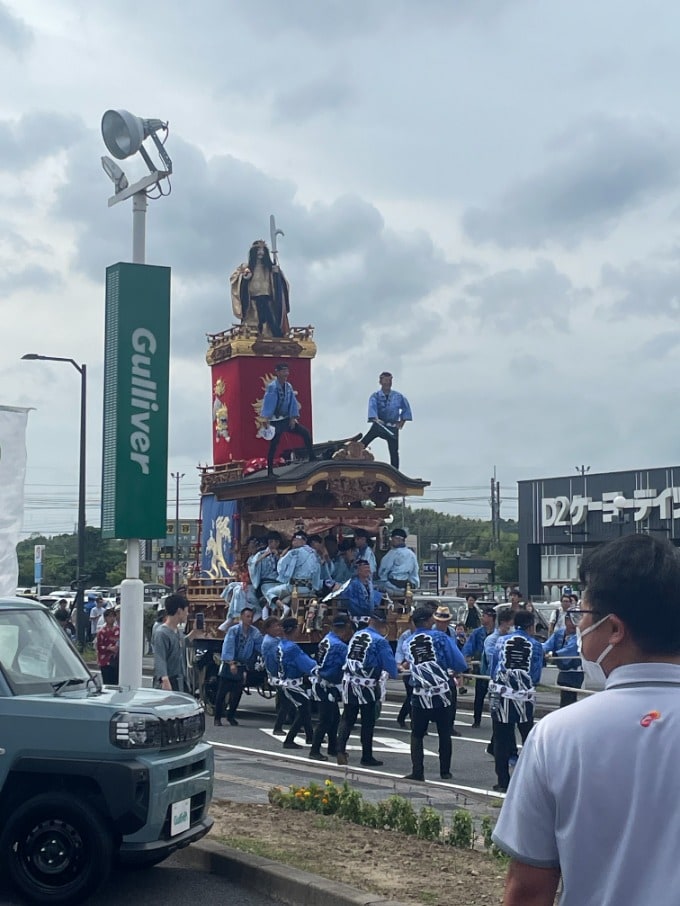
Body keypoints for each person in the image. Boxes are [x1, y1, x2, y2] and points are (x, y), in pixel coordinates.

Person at [493, 534, 680, 906]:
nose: (578, 628)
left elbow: (529, 889)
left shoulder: (557, 735)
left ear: (614, 629)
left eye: (583, 615)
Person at [402, 606, 468, 781]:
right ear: (427, 620)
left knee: (417, 734)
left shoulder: (408, 642)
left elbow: (406, 663)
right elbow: (460, 663)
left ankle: (418, 771)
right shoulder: (440, 637)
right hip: (442, 693)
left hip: (420, 694)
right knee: (444, 732)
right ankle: (444, 771)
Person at [488, 610, 543, 793]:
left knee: (501, 740)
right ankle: (531, 780)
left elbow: (493, 668)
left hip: (501, 695)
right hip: (523, 698)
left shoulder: (501, 641)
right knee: (528, 737)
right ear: (530, 626)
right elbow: (535, 675)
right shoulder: (535, 645)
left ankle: (502, 781)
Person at [336, 608, 398, 767]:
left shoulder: (357, 635)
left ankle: (340, 749)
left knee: (347, 718)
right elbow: (391, 668)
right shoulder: (379, 641)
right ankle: (367, 756)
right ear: (383, 624)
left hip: (349, 681)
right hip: (367, 686)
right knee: (367, 721)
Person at [309, 614, 354, 761]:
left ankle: (332, 747)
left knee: (334, 718)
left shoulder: (327, 639)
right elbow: (345, 665)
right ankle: (314, 750)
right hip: (327, 685)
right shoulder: (340, 647)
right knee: (325, 719)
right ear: (346, 627)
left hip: (322, 682)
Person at [260, 363, 315, 476]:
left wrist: (293, 417)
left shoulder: (288, 386)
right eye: (284, 371)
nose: (286, 374)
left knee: (305, 432)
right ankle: (270, 471)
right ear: (278, 372)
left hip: (286, 419)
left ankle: (312, 456)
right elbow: (268, 403)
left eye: (287, 371)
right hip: (275, 421)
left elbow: (292, 403)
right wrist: (266, 418)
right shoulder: (272, 387)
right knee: (274, 444)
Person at [230, 239, 290, 337]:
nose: (261, 253)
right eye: (258, 250)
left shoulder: (270, 268)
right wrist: (245, 277)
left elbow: (281, 285)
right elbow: (234, 278)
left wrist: (276, 274)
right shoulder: (246, 266)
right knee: (252, 325)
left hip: (268, 302)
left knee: (270, 325)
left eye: (262, 250)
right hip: (252, 303)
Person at [214, 606, 263, 726]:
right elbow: (228, 646)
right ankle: (217, 717)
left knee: (237, 693)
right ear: (241, 617)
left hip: (242, 665)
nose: (250, 619)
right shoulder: (234, 630)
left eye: (251, 617)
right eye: (247, 616)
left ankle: (231, 716)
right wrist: (231, 663)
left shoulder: (254, 632)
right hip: (229, 664)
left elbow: (260, 646)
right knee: (222, 692)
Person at [276, 617, 316, 750]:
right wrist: (317, 669)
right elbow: (306, 664)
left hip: (286, 682)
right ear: (293, 629)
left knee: (304, 707)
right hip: (292, 683)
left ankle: (310, 736)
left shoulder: (282, 644)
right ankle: (290, 739)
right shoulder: (292, 648)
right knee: (304, 708)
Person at [359, 371, 412, 469]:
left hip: (392, 426)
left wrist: (402, 421)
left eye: (390, 380)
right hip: (379, 424)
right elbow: (372, 407)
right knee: (364, 442)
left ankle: (395, 471)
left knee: (394, 451)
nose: (388, 383)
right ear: (381, 382)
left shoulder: (398, 396)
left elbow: (406, 408)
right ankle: (354, 454)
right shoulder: (375, 396)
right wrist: (375, 418)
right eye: (386, 380)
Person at [265, 530, 321, 614]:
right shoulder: (314, 553)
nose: (294, 541)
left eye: (296, 539)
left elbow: (281, 566)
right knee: (286, 596)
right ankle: (285, 605)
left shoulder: (294, 552)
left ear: (303, 541)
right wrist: (315, 587)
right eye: (294, 539)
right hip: (309, 588)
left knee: (269, 592)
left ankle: (284, 607)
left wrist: (282, 556)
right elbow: (317, 572)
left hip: (294, 587)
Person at [153, 593, 197, 692]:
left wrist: (194, 633)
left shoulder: (177, 630)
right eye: (186, 610)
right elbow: (160, 658)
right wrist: (164, 679)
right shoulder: (161, 633)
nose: (187, 614)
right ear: (179, 611)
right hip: (169, 680)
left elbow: (181, 644)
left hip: (180, 679)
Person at [462, 606, 497, 727]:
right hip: (480, 668)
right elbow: (469, 646)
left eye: (485, 616)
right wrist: (466, 657)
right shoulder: (477, 632)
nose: (482, 618)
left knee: (495, 696)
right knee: (479, 696)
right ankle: (477, 720)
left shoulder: (498, 633)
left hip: (494, 669)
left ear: (491, 618)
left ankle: (497, 720)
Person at [260, 615, 294, 735]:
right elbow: (274, 661)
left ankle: (294, 724)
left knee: (289, 700)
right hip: (278, 676)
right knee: (286, 701)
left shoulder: (276, 640)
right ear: (268, 629)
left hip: (280, 676)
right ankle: (278, 727)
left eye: (279, 625)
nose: (279, 628)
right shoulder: (270, 642)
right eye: (275, 626)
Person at [432, 605, 463, 735]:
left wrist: (457, 668)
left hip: (449, 672)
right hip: (433, 670)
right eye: (440, 621)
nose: (442, 624)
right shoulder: (430, 633)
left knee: (452, 698)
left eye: (445, 621)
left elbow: (454, 653)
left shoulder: (451, 633)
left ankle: (449, 725)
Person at [542, 610, 583, 707]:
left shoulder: (578, 635)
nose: (574, 624)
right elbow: (548, 645)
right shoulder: (559, 633)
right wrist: (538, 649)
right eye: (572, 620)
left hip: (575, 671)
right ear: (566, 620)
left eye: (577, 620)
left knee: (569, 699)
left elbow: (570, 649)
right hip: (563, 671)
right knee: (566, 697)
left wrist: (553, 654)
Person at [377, 528, 419, 595]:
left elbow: (383, 571)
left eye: (393, 539)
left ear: (399, 539)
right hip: (410, 586)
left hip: (394, 585)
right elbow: (415, 572)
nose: (392, 541)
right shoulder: (412, 554)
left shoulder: (392, 553)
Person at [96, 607, 120, 684]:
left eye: (113, 616)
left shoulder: (118, 630)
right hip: (105, 661)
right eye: (109, 616)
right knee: (107, 682)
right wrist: (109, 648)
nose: (112, 618)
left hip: (116, 661)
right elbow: (99, 647)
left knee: (116, 682)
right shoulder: (102, 631)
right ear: (105, 618)